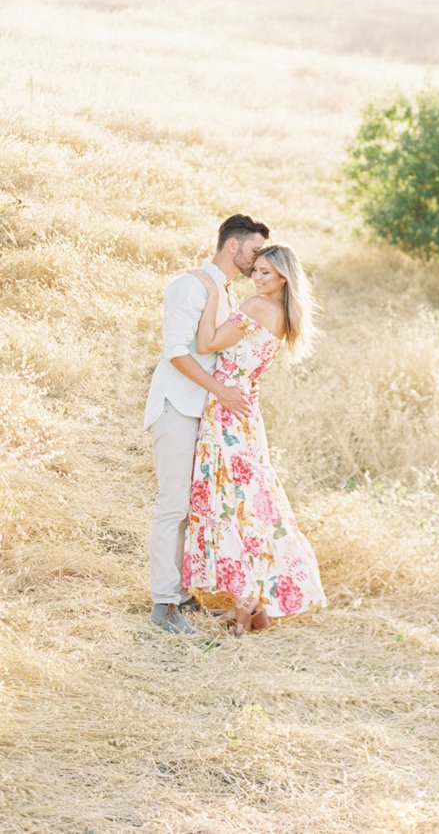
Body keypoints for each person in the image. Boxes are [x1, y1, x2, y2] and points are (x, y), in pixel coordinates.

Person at [182, 243, 326, 634]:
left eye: (266, 273)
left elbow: (206, 344)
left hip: (229, 410)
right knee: (246, 500)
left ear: (282, 277)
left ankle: (245, 607)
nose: (257, 278)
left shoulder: (259, 307)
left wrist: (213, 294)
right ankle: (255, 604)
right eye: (256, 271)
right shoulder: (280, 313)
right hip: (241, 408)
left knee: (234, 502)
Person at [144, 213, 270, 635]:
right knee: (172, 506)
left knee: (194, 509)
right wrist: (219, 390)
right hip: (178, 406)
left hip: (207, 416)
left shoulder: (227, 293)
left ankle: (181, 594)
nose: (258, 259)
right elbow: (177, 353)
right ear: (233, 246)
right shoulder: (190, 285)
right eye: (254, 250)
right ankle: (163, 606)